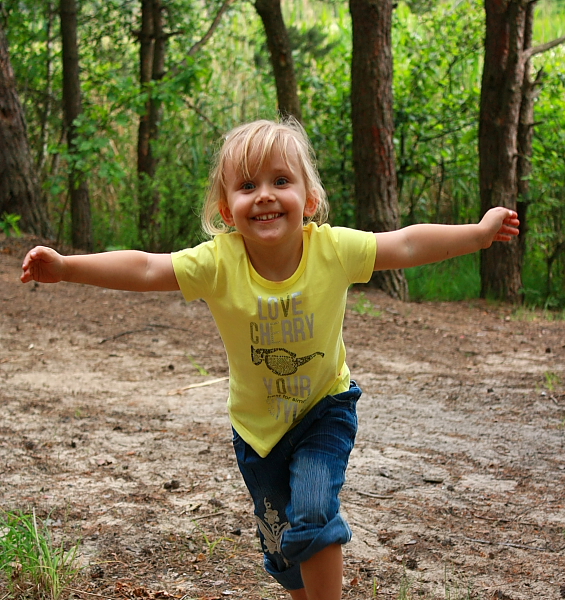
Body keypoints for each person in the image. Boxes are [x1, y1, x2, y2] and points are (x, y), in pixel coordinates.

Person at [21, 118, 519, 600]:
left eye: (281, 180)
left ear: (310, 198)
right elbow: (148, 268)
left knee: (313, 509)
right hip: (257, 432)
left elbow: (407, 242)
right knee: (283, 548)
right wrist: (67, 268)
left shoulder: (334, 250)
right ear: (225, 209)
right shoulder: (218, 262)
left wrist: (477, 234)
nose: (264, 194)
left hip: (325, 409)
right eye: (247, 185)